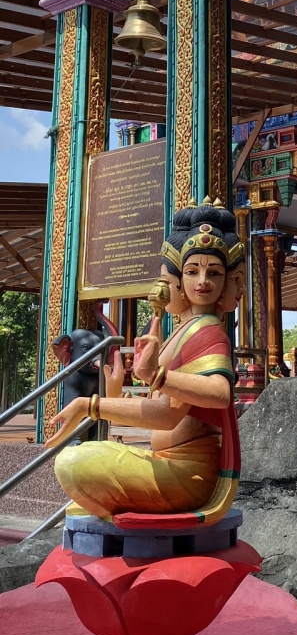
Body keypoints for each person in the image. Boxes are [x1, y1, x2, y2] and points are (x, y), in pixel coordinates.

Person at [48, 204, 243, 528]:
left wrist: (155, 376)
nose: (203, 281)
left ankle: (125, 524)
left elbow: (220, 394)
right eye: (192, 271)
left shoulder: (208, 330)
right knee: (76, 461)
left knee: (73, 462)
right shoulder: (182, 331)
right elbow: (163, 412)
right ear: (176, 279)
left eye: (214, 273)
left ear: (228, 281)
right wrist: (99, 401)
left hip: (189, 474)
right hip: (168, 464)